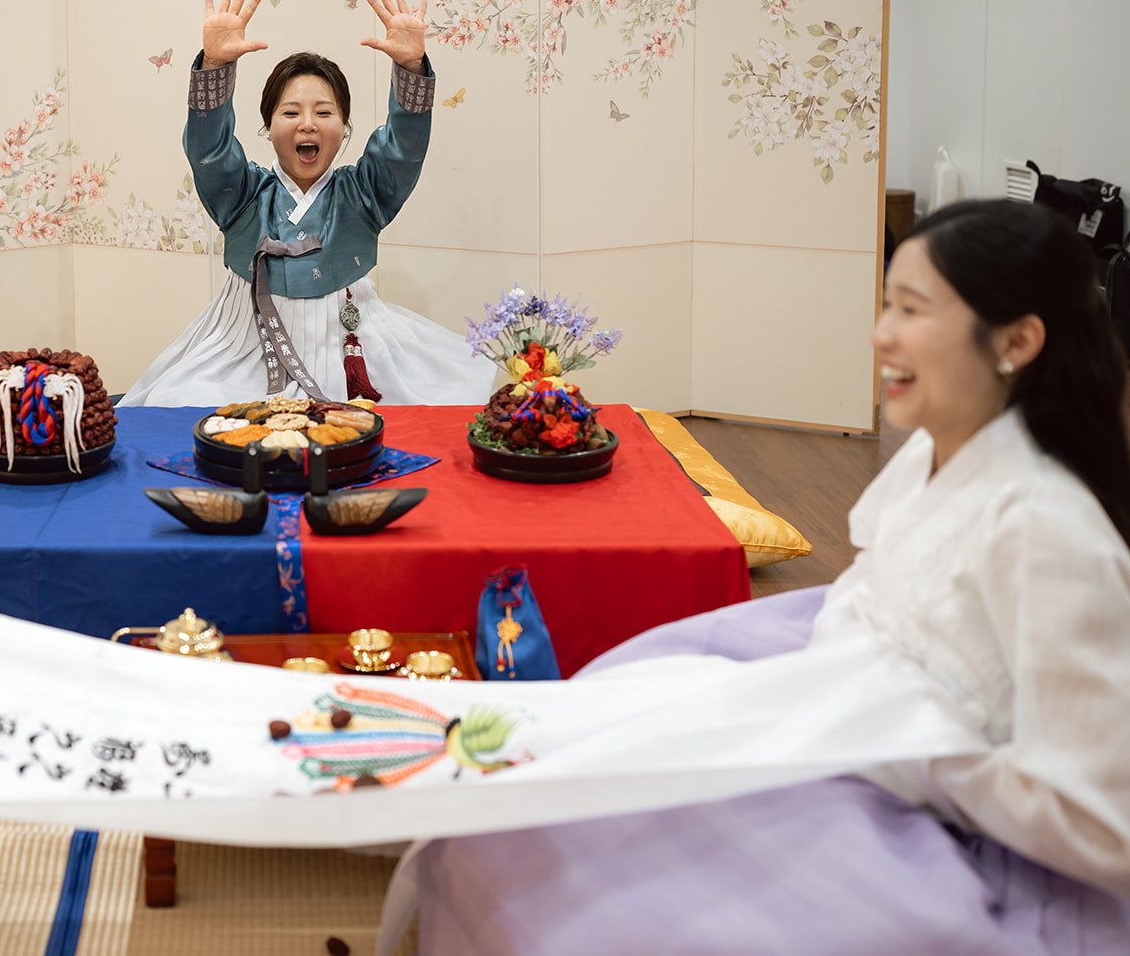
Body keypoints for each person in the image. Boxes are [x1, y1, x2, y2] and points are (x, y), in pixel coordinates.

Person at [401, 200, 1130, 954]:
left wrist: (914, 740)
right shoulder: (936, 450)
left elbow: (1100, 819)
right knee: (556, 765)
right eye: (885, 305)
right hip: (841, 688)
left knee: (606, 895)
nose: (881, 334)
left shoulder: (1048, 530)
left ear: (1017, 340)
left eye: (912, 311)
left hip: (913, 784)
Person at [118, 0, 497, 407]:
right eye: (290, 112)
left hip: (352, 340)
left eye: (324, 112)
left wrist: (411, 68)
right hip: (246, 343)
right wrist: (214, 66)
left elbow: (402, 150)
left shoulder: (363, 193)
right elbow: (208, 150)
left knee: (428, 404)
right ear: (268, 127)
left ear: (344, 127)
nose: (308, 124)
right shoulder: (242, 194)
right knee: (187, 406)